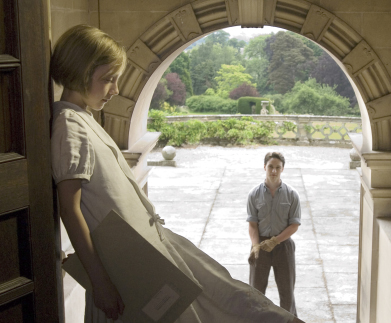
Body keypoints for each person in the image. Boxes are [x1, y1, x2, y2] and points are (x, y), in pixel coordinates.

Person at [50, 24, 304, 323]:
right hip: (126, 267)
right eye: (108, 79)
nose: (115, 90)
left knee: (226, 297)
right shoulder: (70, 124)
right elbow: (70, 207)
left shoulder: (80, 118)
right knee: (222, 304)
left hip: (144, 252)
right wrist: (99, 282)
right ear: (80, 72)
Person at [247, 152, 301, 317]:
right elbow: (252, 224)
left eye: (278, 167)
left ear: (282, 169)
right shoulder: (254, 194)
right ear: (265, 167)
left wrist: (275, 241)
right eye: (271, 166)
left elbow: (294, 225)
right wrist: (256, 246)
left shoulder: (292, 195)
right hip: (261, 246)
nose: (274, 171)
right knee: (256, 293)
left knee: (287, 294)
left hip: (283, 246)